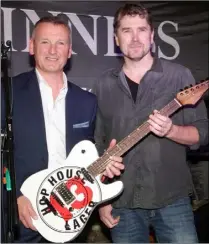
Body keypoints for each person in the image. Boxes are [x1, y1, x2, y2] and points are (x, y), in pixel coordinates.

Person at [1, 16, 124, 243]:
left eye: (60, 43)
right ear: (31, 46)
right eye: (45, 42)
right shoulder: (7, 92)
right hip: (22, 216)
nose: (52, 50)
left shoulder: (86, 101)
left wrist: (104, 167)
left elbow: (86, 157)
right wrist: (13, 196)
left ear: (69, 51)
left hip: (71, 216)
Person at [94, 3, 209, 243]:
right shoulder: (104, 84)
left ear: (152, 35)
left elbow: (202, 133)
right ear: (116, 38)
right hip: (121, 203)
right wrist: (102, 200)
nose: (135, 38)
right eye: (126, 31)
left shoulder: (179, 76)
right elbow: (99, 145)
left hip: (172, 200)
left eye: (141, 30)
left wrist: (172, 130)